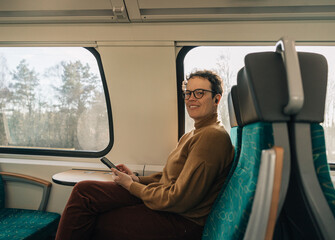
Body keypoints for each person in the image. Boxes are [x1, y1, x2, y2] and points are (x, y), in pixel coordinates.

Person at [55, 70, 234, 240]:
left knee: (97, 220)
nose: (191, 99)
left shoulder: (212, 136)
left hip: (182, 221)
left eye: (199, 93)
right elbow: (169, 177)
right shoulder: (192, 134)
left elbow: (179, 199)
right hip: (168, 205)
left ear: (216, 99)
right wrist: (136, 180)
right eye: (188, 93)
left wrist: (131, 186)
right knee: (85, 191)